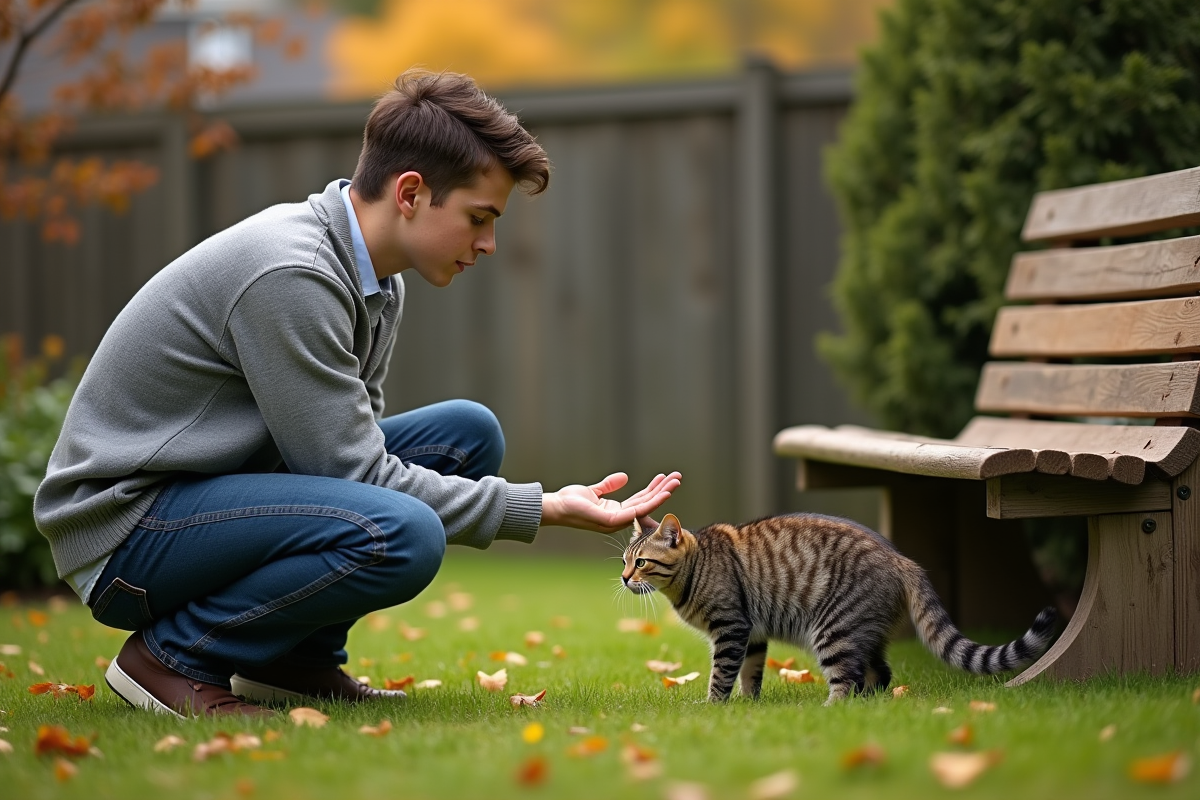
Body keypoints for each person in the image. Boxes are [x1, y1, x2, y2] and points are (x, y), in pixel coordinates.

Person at [32, 69, 681, 718]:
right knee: (403, 533)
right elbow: (352, 473)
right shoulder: (294, 273)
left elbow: (351, 451)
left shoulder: (376, 277)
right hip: (127, 531)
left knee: (466, 435)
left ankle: (290, 661)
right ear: (410, 193)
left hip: (206, 496)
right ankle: (172, 658)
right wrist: (537, 506)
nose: (487, 244)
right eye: (479, 218)